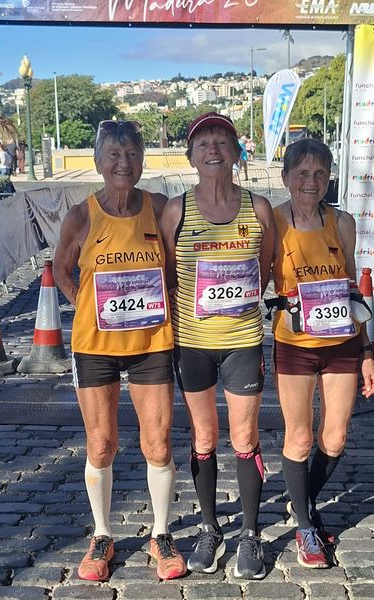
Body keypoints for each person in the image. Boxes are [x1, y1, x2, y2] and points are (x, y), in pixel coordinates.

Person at [53, 119, 186, 583]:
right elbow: (61, 269)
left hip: (151, 342)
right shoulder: (81, 216)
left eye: (131, 154)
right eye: (113, 154)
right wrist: (85, 305)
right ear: (98, 162)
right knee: (101, 443)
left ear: (143, 161)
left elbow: (177, 265)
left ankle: (161, 532)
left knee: (158, 443)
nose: (123, 163)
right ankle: (102, 534)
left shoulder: (159, 207)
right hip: (96, 346)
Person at [160, 112, 275, 580]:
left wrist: (236, 304)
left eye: (222, 141)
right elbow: (168, 276)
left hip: (243, 342)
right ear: (191, 156)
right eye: (203, 143)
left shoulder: (259, 208)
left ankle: (250, 533)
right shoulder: (176, 211)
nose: (213, 149)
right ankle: (210, 529)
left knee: (245, 438)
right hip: (192, 344)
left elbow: (264, 269)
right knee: (204, 438)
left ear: (236, 152)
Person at [271, 139, 374, 569]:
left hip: (341, 344)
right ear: (286, 177)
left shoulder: (343, 222)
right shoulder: (272, 222)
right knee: (299, 437)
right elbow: (254, 279)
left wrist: (368, 352)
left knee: (334, 438)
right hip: (295, 345)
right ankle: (305, 526)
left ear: (329, 178)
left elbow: (354, 291)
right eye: (301, 173)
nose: (311, 182)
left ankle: (304, 500)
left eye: (319, 174)